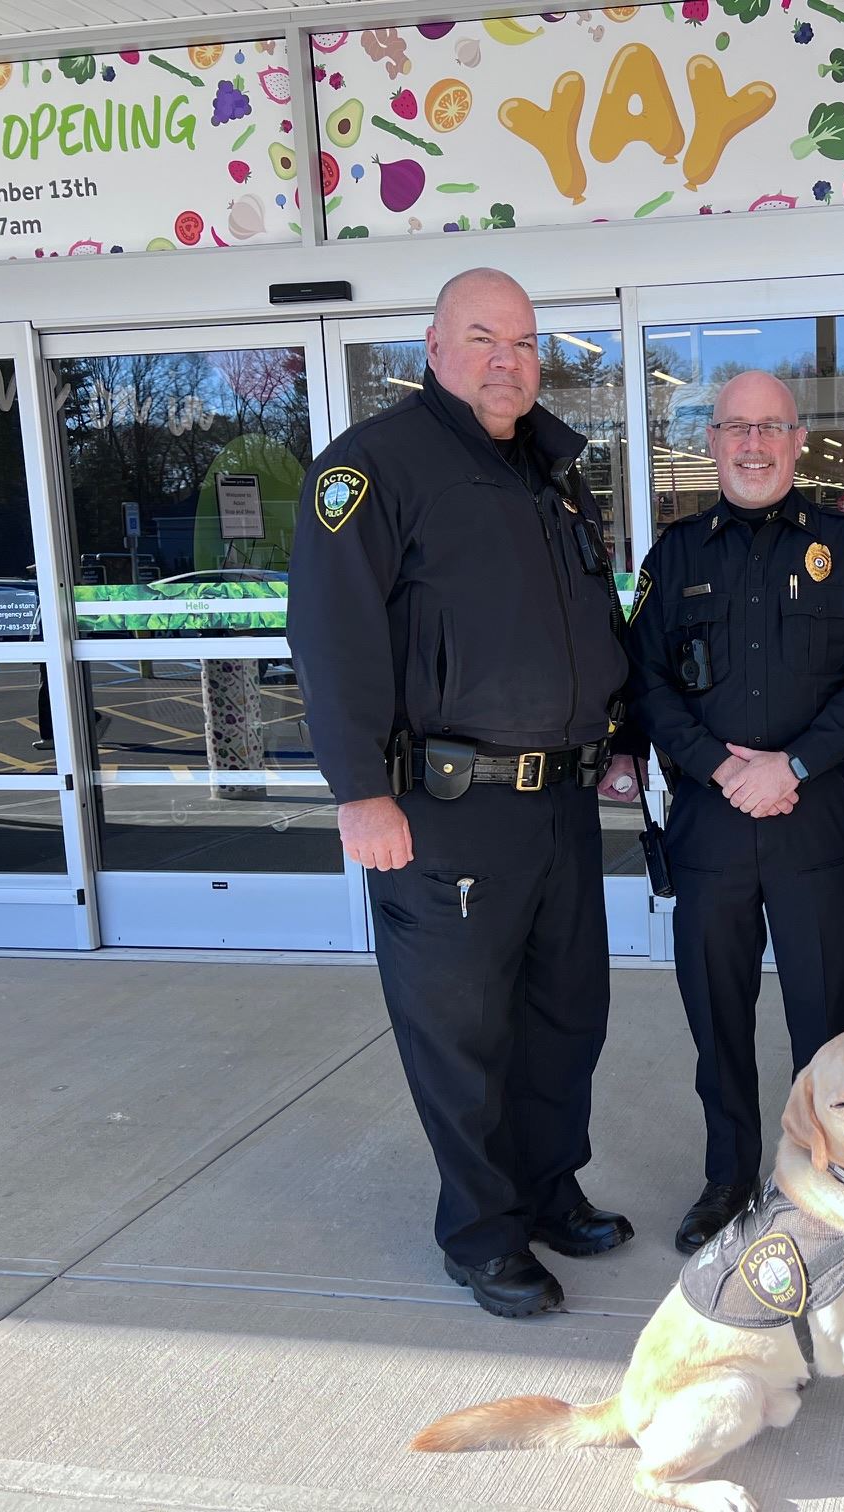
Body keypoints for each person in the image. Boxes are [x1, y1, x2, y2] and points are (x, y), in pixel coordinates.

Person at [289, 268, 643, 1320]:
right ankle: (482, 1233)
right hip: (444, 807)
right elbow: (332, 634)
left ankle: (545, 1190)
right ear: (433, 348)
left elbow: (584, 629)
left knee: (565, 1014)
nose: (508, 359)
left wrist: (614, 736)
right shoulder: (376, 467)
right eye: (484, 337)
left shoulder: (551, 472)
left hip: (561, 802)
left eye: (526, 343)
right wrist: (361, 791)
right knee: (464, 1031)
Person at [627, 371, 844, 1254]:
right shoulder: (674, 559)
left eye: (771, 428)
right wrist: (715, 766)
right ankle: (728, 1178)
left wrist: (795, 763)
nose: (753, 444)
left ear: (796, 441)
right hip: (708, 831)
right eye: (736, 428)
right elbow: (649, 684)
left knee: (825, 1024)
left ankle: (829, 1179)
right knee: (718, 1020)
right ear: (712, 442)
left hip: (811, 827)